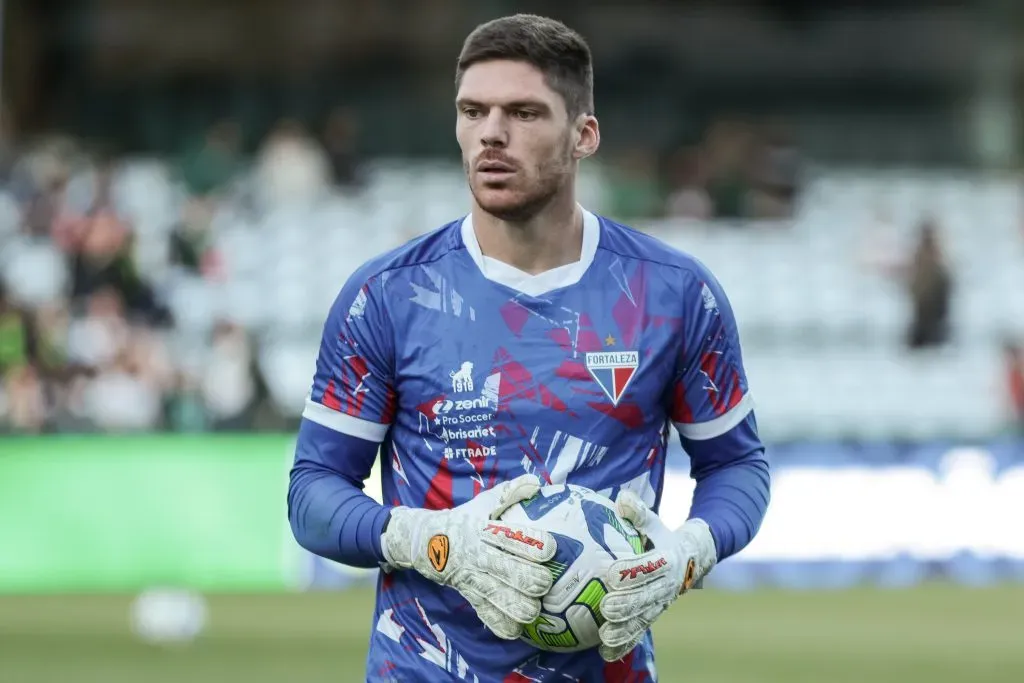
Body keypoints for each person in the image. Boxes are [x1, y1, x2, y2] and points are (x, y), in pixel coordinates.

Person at [287, 14, 770, 682]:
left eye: (523, 112)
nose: (491, 132)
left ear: (584, 135)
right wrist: (433, 541)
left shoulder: (673, 295)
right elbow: (312, 491)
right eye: (472, 111)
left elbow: (738, 465)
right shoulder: (388, 296)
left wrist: (686, 551)